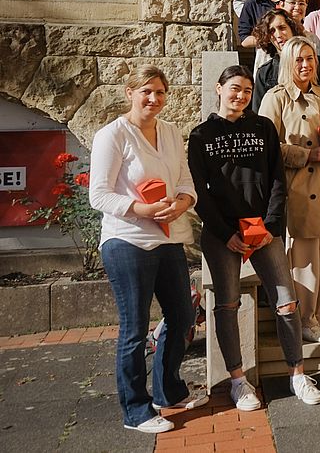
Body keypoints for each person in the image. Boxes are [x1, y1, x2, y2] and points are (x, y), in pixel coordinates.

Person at [188, 66, 320, 409]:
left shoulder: (263, 128)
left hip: (264, 230)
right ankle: (238, 380)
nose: (241, 95)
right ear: (219, 89)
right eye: (235, 88)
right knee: (227, 305)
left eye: (248, 90)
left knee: (286, 302)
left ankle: (297, 374)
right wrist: (226, 233)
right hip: (223, 235)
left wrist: (271, 225)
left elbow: (278, 180)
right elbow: (198, 193)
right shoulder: (201, 135)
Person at [89, 65, 206, 433]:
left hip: (168, 236)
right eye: (146, 92)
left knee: (183, 318)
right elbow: (99, 195)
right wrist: (140, 209)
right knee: (135, 328)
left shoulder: (170, 132)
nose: (154, 99)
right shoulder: (113, 135)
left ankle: (168, 392)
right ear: (130, 93)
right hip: (128, 240)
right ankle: (135, 410)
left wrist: (184, 201)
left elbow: (184, 179)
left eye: (159, 92)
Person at [259, 37, 320, 344]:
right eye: (299, 60)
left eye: (310, 58)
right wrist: (306, 154)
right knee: (305, 259)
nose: (306, 65)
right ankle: (305, 319)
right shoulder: (275, 97)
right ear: (287, 63)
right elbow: (268, 146)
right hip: (298, 189)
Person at [251, 9, 320, 111]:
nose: (278, 35)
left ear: (292, 28)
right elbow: (259, 112)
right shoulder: (265, 72)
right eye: (272, 31)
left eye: (282, 28)